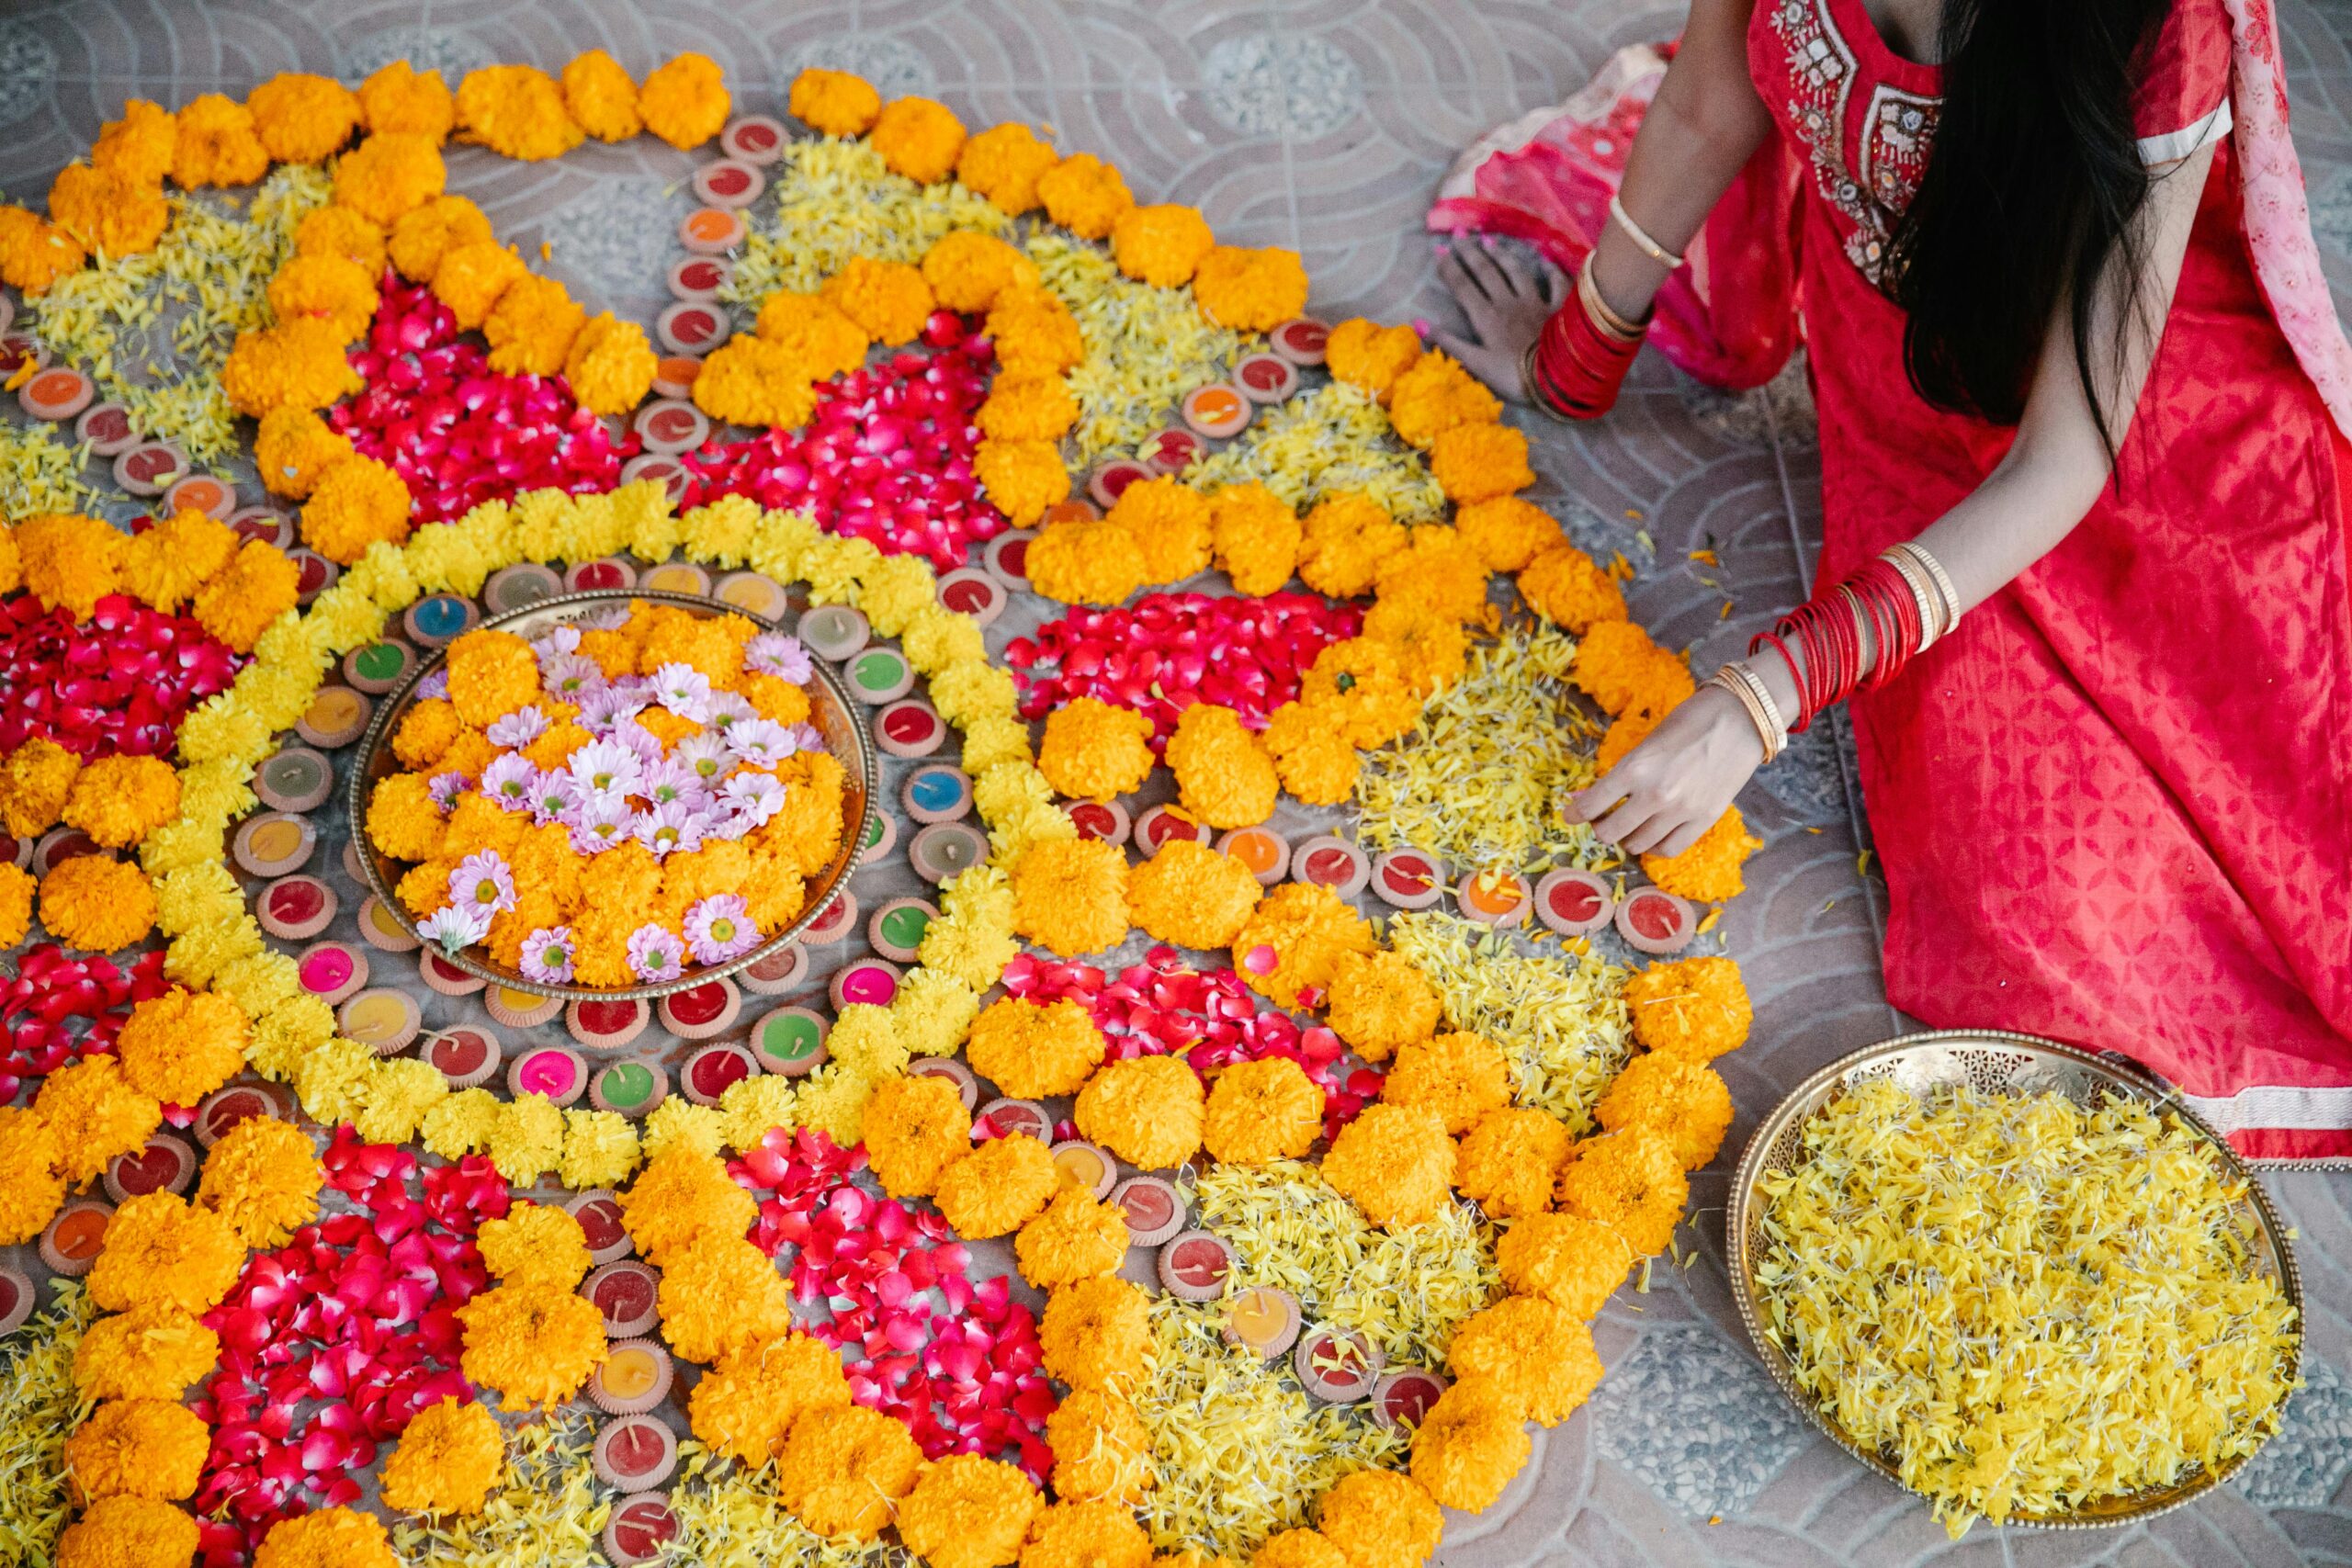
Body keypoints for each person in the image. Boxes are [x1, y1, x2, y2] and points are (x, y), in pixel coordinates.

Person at [1429, 0, 2352, 1163]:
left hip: (2131, 426)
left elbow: (2062, 460)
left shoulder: (2157, 27)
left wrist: (1758, 700)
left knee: (2097, 906)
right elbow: (1714, 99)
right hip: (1909, 386)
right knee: (2002, 858)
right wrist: (1574, 360)